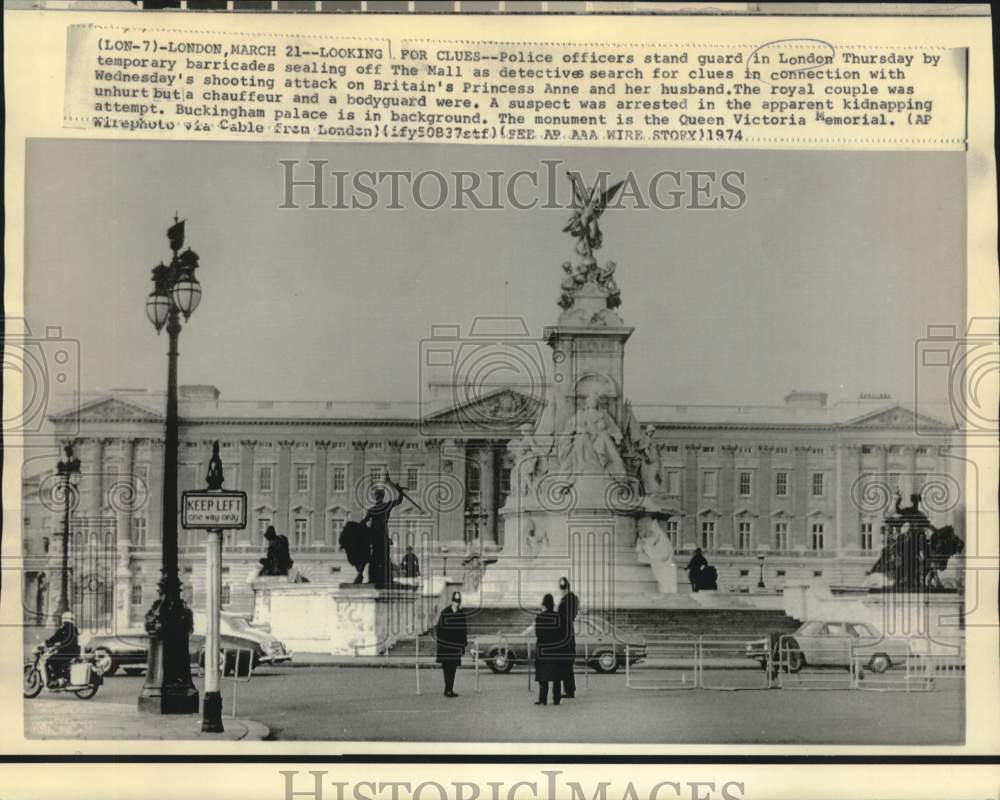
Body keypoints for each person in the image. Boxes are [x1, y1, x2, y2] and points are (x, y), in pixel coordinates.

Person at [362, 485, 403, 588]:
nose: (378, 497)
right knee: (379, 558)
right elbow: (399, 500)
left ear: (380, 497)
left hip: (379, 537)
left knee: (380, 558)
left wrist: (399, 490)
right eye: (377, 496)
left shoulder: (377, 508)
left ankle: (381, 578)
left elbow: (399, 500)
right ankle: (377, 578)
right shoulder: (378, 508)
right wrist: (399, 490)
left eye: (379, 496)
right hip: (379, 537)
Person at [435, 591, 467, 698]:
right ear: (452, 601)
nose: (456, 603)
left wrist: (463, 646)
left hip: (456, 646)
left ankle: (450, 689)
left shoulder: (461, 614)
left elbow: (463, 631)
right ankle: (447, 689)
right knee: (446, 667)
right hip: (446, 646)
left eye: (458, 601)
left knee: (453, 668)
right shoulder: (445, 613)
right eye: (455, 600)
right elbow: (439, 630)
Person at [534, 593, 562, 705]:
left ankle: (543, 699)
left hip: (543, 648)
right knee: (557, 676)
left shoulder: (540, 617)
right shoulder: (558, 617)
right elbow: (561, 633)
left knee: (543, 675)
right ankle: (556, 699)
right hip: (556, 648)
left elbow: (538, 633)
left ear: (544, 604)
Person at [556, 576, 579, 699]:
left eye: (562, 588)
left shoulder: (565, 600)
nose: (562, 590)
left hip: (564, 635)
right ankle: (570, 689)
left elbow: (562, 617)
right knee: (567, 664)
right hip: (569, 634)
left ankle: (568, 691)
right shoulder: (574, 599)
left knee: (564, 663)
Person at [44, 610, 79, 686]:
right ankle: (62, 678)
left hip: (66, 652)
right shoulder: (74, 629)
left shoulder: (65, 628)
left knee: (50, 661)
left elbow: (56, 637)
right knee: (58, 661)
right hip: (74, 652)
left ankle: (57, 680)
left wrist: (47, 643)